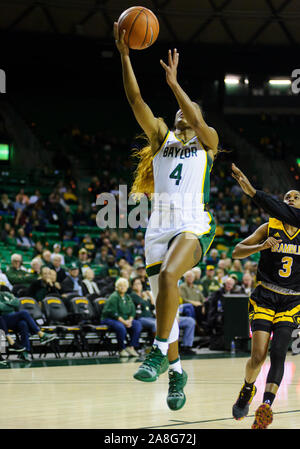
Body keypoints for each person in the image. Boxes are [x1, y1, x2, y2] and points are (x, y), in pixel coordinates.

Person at [114, 23, 218, 411]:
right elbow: (135, 99)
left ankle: (157, 351)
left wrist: (176, 85)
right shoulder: (161, 137)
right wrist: (125, 55)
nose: (180, 115)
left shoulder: (208, 142)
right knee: (164, 305)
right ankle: (176, 371)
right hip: (158, 228)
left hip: (193, 222)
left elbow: (196, 116)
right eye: (177, 112)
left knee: (172, 276)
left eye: (187, 112)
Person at [230, 183, 300, 429]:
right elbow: (237, 251)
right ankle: (248, 388)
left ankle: (266, 406)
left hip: (292, 300)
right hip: (265, 296)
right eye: (287, 196)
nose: (290, 198)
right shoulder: (269, 226)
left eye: (295, 196)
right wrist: (260, 246)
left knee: (279, 352)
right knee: (258, 356)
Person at [0, 291, 56, 361]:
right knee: (24, 313)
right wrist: (10, 304)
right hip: (3, 321)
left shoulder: (5, 293)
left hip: (12, 318)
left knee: (23, 324)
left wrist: (6, 304)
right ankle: (40, 334)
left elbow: (17, 303)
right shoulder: (7, 296)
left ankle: (24, 352)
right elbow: (1, 308)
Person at [101, 277, 142, 357]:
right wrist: (124, 322)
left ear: (127, 287)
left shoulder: (128, 297)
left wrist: (130, 321)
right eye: (120, 286)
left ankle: (131, 347)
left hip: (125, 319)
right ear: (116, 287)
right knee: (120, 327)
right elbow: (113, 313)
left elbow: (132, 311)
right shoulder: (114, 297)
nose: (122, 287)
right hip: (109, 319)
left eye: (124, 286)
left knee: (137, 325)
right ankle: (121, 349)